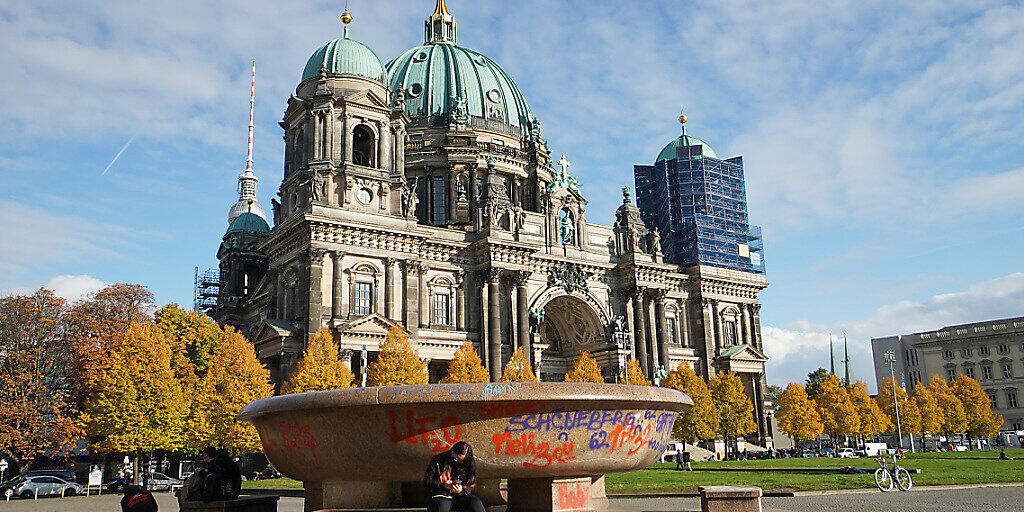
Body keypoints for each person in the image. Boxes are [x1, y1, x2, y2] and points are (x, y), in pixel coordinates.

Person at [423, 442, 485, 512]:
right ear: (452, 452)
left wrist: (461, 490)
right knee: (441, 506)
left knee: (475, 503)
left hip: (460, 495)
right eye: (455, 458)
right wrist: (443, 485)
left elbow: (471, 485)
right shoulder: (438, 460)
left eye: (460, 459)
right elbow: (426, 481)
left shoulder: (468, 463)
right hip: (441, 495)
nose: (457, 461)